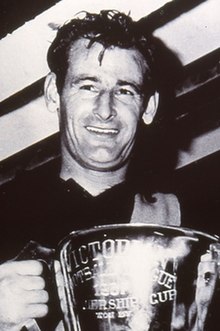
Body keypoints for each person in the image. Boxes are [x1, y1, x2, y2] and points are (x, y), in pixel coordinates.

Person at [0, 9, 209, 331]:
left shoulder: (195, 225)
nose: (105, 109)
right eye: (88, 86)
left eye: (125, 90)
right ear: (54, 94)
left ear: (148, 107)